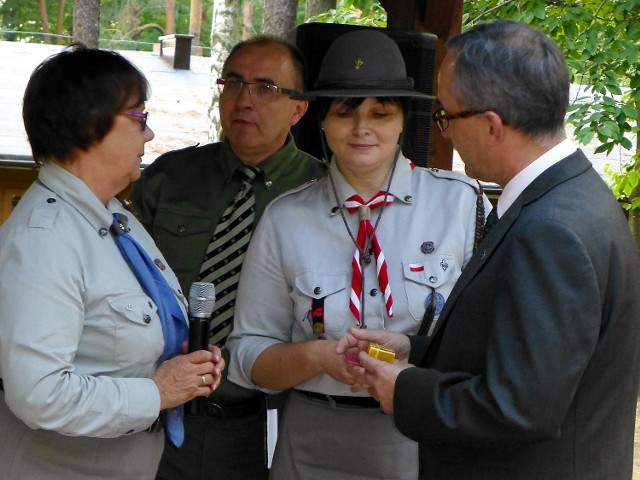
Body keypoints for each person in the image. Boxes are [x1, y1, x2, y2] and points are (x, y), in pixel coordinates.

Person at [337, 20, 640, 479]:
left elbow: (522, 407)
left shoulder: (551, 231)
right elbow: (529, 354)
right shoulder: (572, 196)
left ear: (492, 126)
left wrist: (406, 390)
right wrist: (415, 352)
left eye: (447, 116)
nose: (445, 134)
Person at [227, 29, 490, 479]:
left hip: (425, 435)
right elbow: (248, 355)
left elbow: (490, 339)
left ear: (404, 120)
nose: (362, 128)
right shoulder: (285, 218)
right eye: (345, 112)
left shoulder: (463, 206)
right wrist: (317, 357)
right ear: (323, 122)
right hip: (313, 439)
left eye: (380, 113)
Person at [0, 46, 224, 480]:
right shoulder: (47, 240)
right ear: (90, 124)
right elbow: (39, 394)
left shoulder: (115, 219)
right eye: (139, 118)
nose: (150, 135)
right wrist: (158, 392)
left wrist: (181, 360)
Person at [129, 35, 327, 480]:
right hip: (156, 416)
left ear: (298, 109)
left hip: (263, 423)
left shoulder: (324, 195)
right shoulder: (170, 177)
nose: (244, 100)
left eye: (265, 88)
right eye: (233, 83)